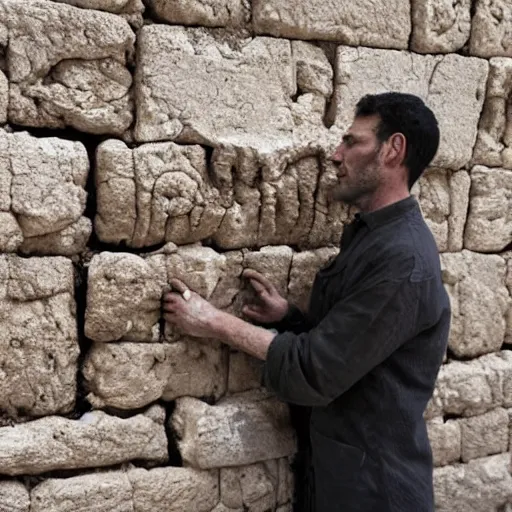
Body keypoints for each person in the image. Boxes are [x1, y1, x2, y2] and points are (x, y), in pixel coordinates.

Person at [163, 92, 451, 512]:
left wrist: (212, 322)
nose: (336, 155)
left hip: (373, 493)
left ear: (394, 150)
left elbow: (317, 370)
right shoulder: (375, 237)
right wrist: (290, 319)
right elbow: (355, 348)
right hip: (340, 478)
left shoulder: (403, 259)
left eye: (353, 142)